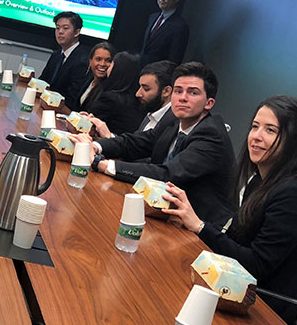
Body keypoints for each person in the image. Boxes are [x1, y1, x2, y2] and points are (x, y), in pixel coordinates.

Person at [162, 96, 297, 325]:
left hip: (263, 314)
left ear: (293, 140)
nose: (256, 136)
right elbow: (236, 237)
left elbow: (255, 266)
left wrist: (200, 226)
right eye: (255, 126)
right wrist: (190, 223)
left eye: (270, 130)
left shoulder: (293, 194)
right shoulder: (260, 180)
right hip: (233, 295)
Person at [75, 62, 235, 227]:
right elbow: (138, 142)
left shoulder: (211, 134)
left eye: (193, 93)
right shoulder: (174, 121)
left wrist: (100, 163)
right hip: (163, 212)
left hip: (198, 229)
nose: (183, 97)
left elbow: (168, 175)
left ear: (209, 103)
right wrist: (96, 146)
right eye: (178, 91)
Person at [90, 60, 176, 138]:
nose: (138, 94)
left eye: (146, 89)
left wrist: (108, 137)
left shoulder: (171, 124)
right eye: (140, 87)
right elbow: (134, 146)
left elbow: (141, 150)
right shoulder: (149, 115)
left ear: (166, 91)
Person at [76, 50, 144, 135]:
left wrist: (83, 119)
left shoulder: (109, 98)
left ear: (117, 69)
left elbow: (86, 128)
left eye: (111, 63)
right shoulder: (136, 98)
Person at [39, 11, 90, 110]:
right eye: (57, 28)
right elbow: (43, 81)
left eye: (65, 28)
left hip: (62, 111)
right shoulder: (57, 54)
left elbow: (72, 99)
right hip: (46, 105)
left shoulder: (82, 60)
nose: (60, 32)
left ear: (77, 32)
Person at [140, 0, 189, 66]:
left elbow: (174, 58)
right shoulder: (153, 17)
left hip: (157, 73)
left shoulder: (180, 26)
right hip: (141, 67)